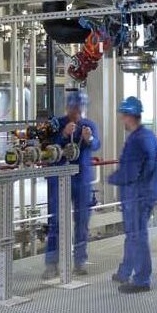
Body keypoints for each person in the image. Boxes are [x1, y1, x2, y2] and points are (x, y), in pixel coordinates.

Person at [43, 89, 100, 278]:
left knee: (82, 222)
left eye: (79, 108)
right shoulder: (57, 124)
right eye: (73, 107)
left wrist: (89, 138)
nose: (76, 111)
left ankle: (80, 262)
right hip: (58, 179)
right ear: (67, 107)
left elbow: (96, 144)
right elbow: (48, 147)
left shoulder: (88, 125)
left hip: (81, 180)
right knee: (55, 221)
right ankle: (52, 264)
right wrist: (63, 135)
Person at [108, 96, 157, 293]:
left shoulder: (136, 141)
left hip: (137, 194)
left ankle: (141, 280)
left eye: (123, 115)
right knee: (132, 235)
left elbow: (131, 172)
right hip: (147, 191)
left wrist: (112, 178)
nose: (122, 119)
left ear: (130, 116)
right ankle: (125, 271)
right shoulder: (148, 136)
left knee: (137, 236)